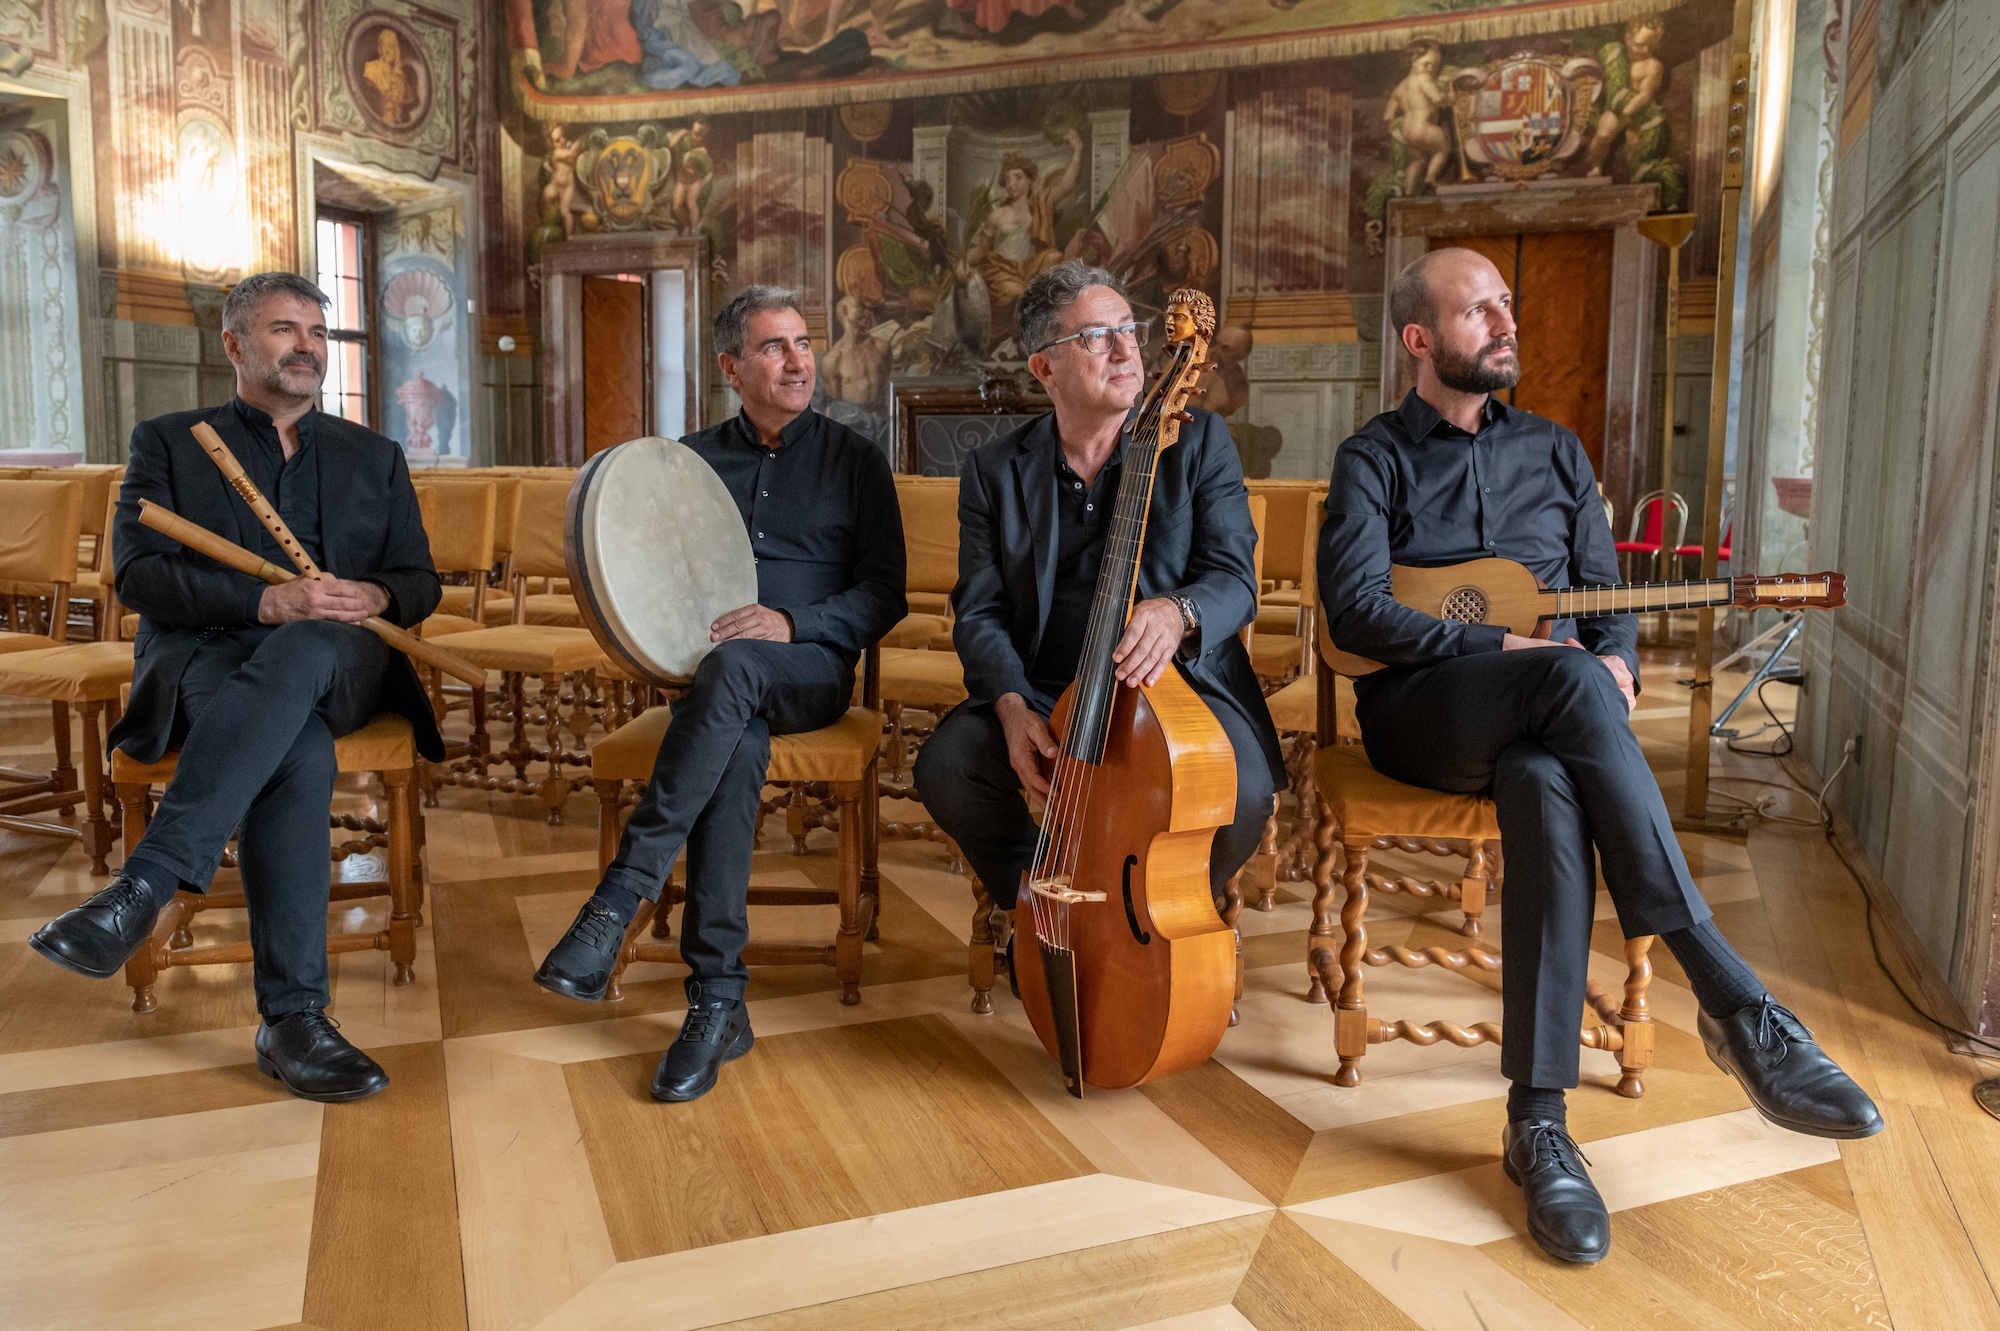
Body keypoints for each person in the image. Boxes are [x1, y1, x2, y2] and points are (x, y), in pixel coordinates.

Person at [1318, 247, 1881, 1267]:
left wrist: (1614, 659)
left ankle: (1537, 1123)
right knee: (1563, 683)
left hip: (1545, 715)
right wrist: (1500, 644)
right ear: (1419, 339)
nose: (1506, 323)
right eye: (1478, 310)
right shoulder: (1373, 458)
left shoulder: (1556, 451)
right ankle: (1729, 995)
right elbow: (1355, 611)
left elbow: (1602, 591)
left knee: (1544, 773)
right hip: (1420, 712)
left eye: (1506, 304)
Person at [29, 272, 443, 1103]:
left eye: (317, 332)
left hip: (340, 658)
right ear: (234, 344)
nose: (307, 346)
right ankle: (294, 1021)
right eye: (285, 329)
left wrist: (372, 595)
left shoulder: (374, 455)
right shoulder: (168, 442)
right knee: (297, 748)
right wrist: (264, 601)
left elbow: (419, 580)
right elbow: (140, 576)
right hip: (211, 654)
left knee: (306, 647)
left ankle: (145, 885)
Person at [534, 286, 906, 1103]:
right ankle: (717, 1001)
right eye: (775, 346)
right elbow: (649, 574)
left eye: (803, 343)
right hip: (708, 684)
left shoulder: (855, 460)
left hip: (811, 668)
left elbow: (886, 595)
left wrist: (791, 620)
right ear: (731, 367)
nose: (799, 361)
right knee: (733, 744)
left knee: (736, 670)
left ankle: (619, 896)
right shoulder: (685, 462)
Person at [916, 263, 1284, 964]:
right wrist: (1012, 707)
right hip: (1047, 684)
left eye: (1128, 330)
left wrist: (1177, 612)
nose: (1124, 350)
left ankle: (1148, 916)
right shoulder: (995, 470)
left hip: (1174, 687)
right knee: (947, 768)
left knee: (1244, 791)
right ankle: (1040, 907)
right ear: (1044, 368)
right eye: (1095, 336)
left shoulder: (1198, 442)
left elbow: (1236, 580)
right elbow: (981, 611)